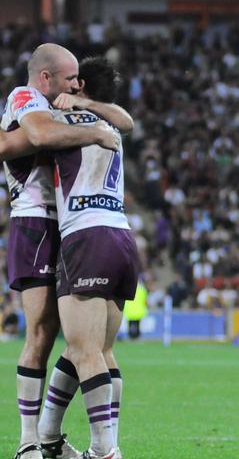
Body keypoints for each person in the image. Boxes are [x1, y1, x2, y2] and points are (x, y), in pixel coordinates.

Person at [0, 43, 122, 459]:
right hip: (36, 222)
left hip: (69, 225)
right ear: (46, 78)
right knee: (40, 333)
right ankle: (28, 441)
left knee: (78, 340)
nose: (76, 84)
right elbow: (37, 135)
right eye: (70, 78)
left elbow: (122, 118)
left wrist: (92, 112)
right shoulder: (25, 96)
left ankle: (50, 435)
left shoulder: (64, 107)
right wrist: (94, 132)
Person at [46, 56, 139, 459]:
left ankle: (104, 451)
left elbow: (29, 137)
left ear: (79, 85)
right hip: (120, 235)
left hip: (86, 234)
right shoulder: (111, 123)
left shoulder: (65, 121)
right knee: (97, 350)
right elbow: (127, 120)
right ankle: (48, 437)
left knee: (85, 351)